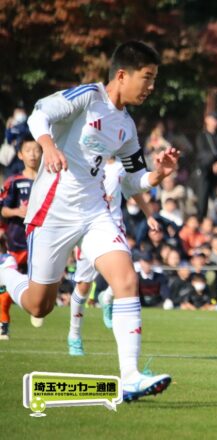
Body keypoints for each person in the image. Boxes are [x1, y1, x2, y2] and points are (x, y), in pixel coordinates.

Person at [0, 41, 179, 401]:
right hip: (52, 212)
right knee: (39, 305)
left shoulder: (126, 126)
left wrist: (157, 176)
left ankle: (130, 377)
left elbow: (132, 181)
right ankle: (5, 270)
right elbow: (37, 114)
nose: (151, 87)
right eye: (147, 77)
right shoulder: (87, 97)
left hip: (96, 213)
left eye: (154, 80)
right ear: (122, 75)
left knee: (126, 279)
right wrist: (49, 145)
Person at [67, 156, 159, 355]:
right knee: (83, 286)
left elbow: (134, 190)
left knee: (127, 277)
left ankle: (107, 297)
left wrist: (149, 215)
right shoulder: (85, 162)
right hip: (89, 230)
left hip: (115, 227)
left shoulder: (120, 166)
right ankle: (74, 335)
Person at [0, 134, 42, 338]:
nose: (33, 154)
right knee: (9, 284)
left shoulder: (50, 180)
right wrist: (18, 211)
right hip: (17, 243)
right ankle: (3, 323)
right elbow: (3, 210)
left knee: (40, 283)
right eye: (28, 150)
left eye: (36, 150)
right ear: (20, 154)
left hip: (42, 243)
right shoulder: (14, 181)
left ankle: (36, 307)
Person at [194, 112, 217, 220]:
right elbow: (201, 154)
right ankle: (201, 220)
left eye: (216, 120)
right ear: (207, 120)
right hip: (205, 173)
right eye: (212, 119)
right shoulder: (201, 136)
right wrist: (212, 165)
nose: (215, 122)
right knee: (202, 200)